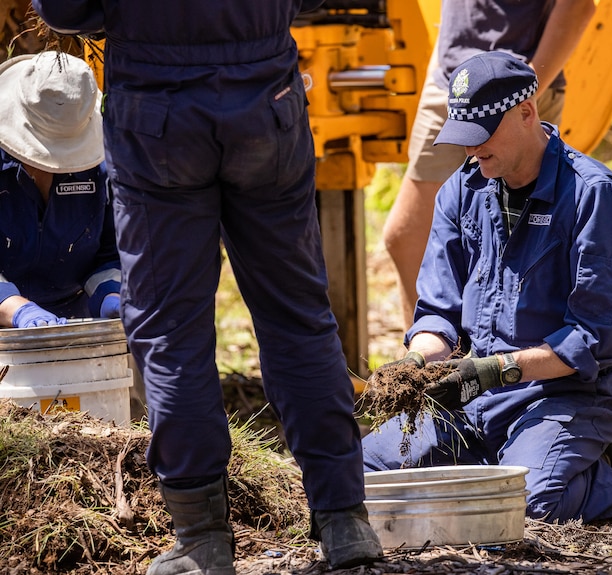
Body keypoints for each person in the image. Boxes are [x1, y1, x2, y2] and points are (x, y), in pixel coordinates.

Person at [33, 2, 382, 573]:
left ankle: (202, 538)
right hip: (267, 103)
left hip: (157, 115)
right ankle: (344, 519)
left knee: (171, 330)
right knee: (296, 315)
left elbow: (67, 10)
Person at [364, 52, 612, 524]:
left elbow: (593, 339)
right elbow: (438, 311)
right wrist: (417, 364)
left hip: (563, 397)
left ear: (527, 112)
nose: (470, 152)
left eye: (481, 137)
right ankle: (490, 472)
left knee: (525, 507)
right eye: (462, 137)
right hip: (472, 399)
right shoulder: (461, 192)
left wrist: (498, 370)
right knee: (363, 474)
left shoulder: (594, 196)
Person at [383, 0, 597, 330]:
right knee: (407, 235)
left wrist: (525, 91)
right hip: (449, 80)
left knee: (521, 251)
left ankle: (526, 363)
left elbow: (578, 6)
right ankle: (433, 365)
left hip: (509, 91)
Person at [0, 51, 120, 330]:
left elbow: (110, 252)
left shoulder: (101, 171)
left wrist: (111, 295)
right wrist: (15, 308)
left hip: (72, 322)